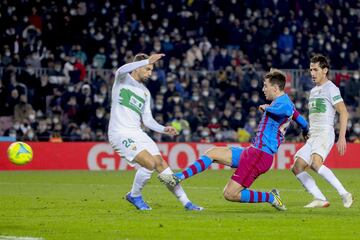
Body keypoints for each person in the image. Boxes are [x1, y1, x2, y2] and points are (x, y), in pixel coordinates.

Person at [158, 69, 309, 211]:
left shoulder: (283, 104)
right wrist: (305, 130)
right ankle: (177, 178)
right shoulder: (283, 102)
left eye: (266, 86)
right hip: (253, 151)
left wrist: (267, 108)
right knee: (212, 153)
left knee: (230, 194)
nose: (263, 89)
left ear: (275, 88)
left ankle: (270, 197)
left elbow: (287, 111)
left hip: (261, 155)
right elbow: (301, 120)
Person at [108, 53, 203, 211]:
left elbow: (148, 120)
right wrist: (147, 60)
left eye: (151, 69)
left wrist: (164, 129)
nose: (150, 73)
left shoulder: (145, 92)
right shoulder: (122, 79)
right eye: (147, 69)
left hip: (138, 133)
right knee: (149, 163)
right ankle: (135, 195)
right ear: (137, 67)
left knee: (162, 165)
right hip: (120, 133)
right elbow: (121, 69)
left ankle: (186, 202)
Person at [292, 54, 353, 208]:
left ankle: (344, 193)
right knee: (297, 166)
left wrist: (342, 137)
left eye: (315, 69)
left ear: (325, 70)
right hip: (313, 134)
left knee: (315, 163)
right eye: (311, 70)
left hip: (325, 132)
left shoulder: (331, 88)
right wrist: (307, 130)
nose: (312, 73)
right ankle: (320, 198)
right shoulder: (313, 91)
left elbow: (344, 112)